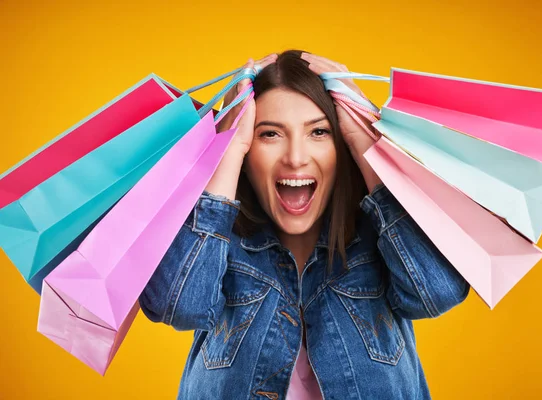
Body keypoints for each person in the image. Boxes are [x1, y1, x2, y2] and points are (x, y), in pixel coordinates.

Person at [139, 50, 470, 399]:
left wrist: (365, 140)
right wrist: (228, 146)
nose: (296, 157)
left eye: (319, 132)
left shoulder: (381, 239)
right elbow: (179, 307)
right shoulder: (218, 242)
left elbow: (437, 293)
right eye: (269, 134)